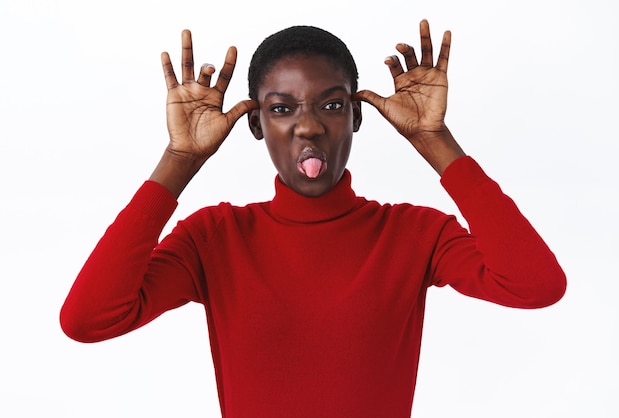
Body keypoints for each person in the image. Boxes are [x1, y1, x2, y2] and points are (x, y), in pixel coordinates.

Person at [60, 20, 566, 417]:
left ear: (357, 117)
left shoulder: (414, 233)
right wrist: (180, 160)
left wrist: (434, 142)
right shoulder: (215, 238)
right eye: (281, 109)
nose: (308, 125)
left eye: (332, 104)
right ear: (255, 124)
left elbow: (536, 285)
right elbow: (88, 319)